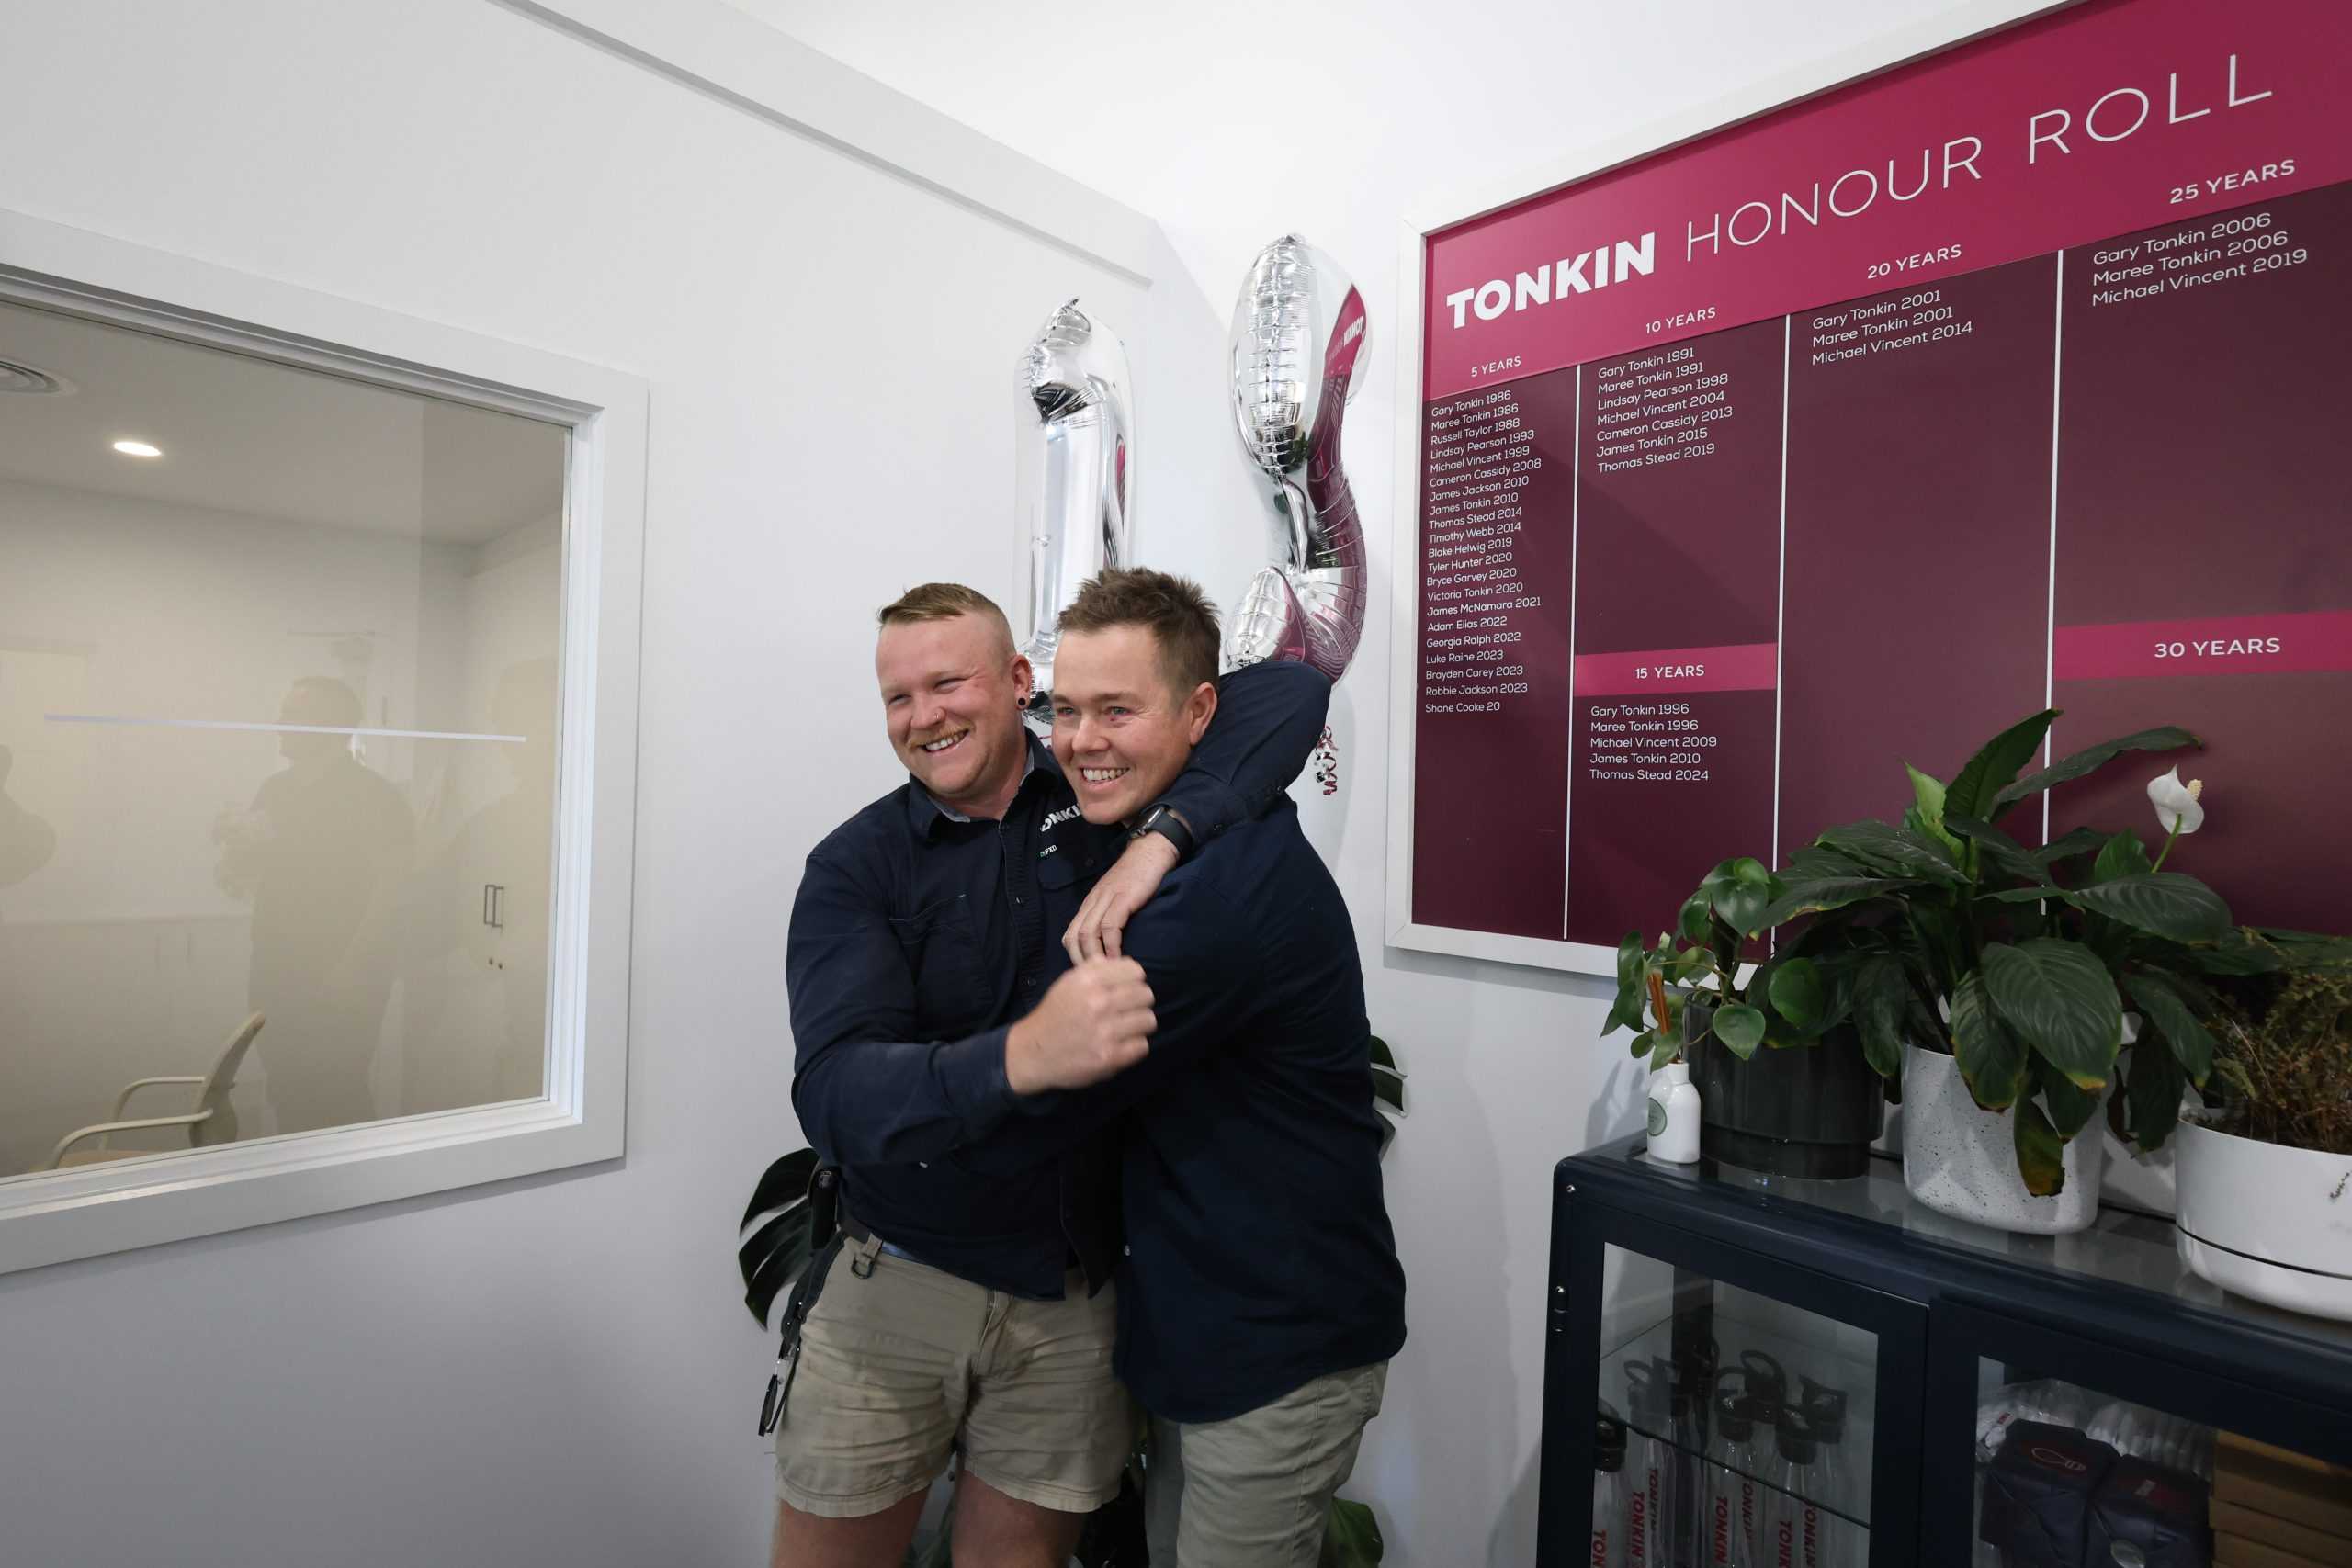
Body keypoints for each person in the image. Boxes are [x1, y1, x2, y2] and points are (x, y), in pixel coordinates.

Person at [776, 581, 1329, 1568]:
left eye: (948, 683)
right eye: (898, 697)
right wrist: (1019, 1058)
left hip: (1071, 1308)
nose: (924, 716)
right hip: (897, 1286)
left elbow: (1288, 692)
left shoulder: (1105, 795)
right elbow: (834, 1094)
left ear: (1017, 681)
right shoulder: (857, 865)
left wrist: (1163, 838)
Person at [964, 568, 1406, 1568]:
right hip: (1208, 1332)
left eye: (1118, 709)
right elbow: (1274, 698)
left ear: (1202, 713)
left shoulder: (1216, 905)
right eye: (1066, 710)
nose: (1081, 741)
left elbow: (1040, 1088)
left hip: (1274, 1351)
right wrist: (1163, 834)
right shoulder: (1214, 826)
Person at [212, 676, 413, 1134]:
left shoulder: (375, 796)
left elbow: (391, 890)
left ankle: (354, 1177)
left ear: (329, 724)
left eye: (292, 714)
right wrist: (235, 860)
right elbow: (257, 875)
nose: (280, 724)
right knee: (287, 1086)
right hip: (276, 963)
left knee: (335, 1091)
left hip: (339, 969)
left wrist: (352, 967)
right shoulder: (275, 789)